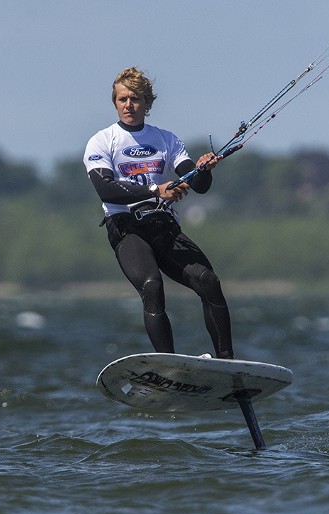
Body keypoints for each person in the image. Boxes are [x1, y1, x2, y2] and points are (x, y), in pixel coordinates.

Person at [83, 67, 234, 359]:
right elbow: (105, 189)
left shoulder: (166, 140)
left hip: (163, 226)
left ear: (147, 104)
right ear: (115, 102)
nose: (129, 105)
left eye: (136, 99)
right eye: (123, 99)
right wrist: (156, 190)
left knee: (209, 282)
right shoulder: (102, 141)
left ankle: (228, 363)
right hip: (127, 229)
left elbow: (197, 184)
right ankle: (170, 364)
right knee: (152, 287)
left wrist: (202, 170)